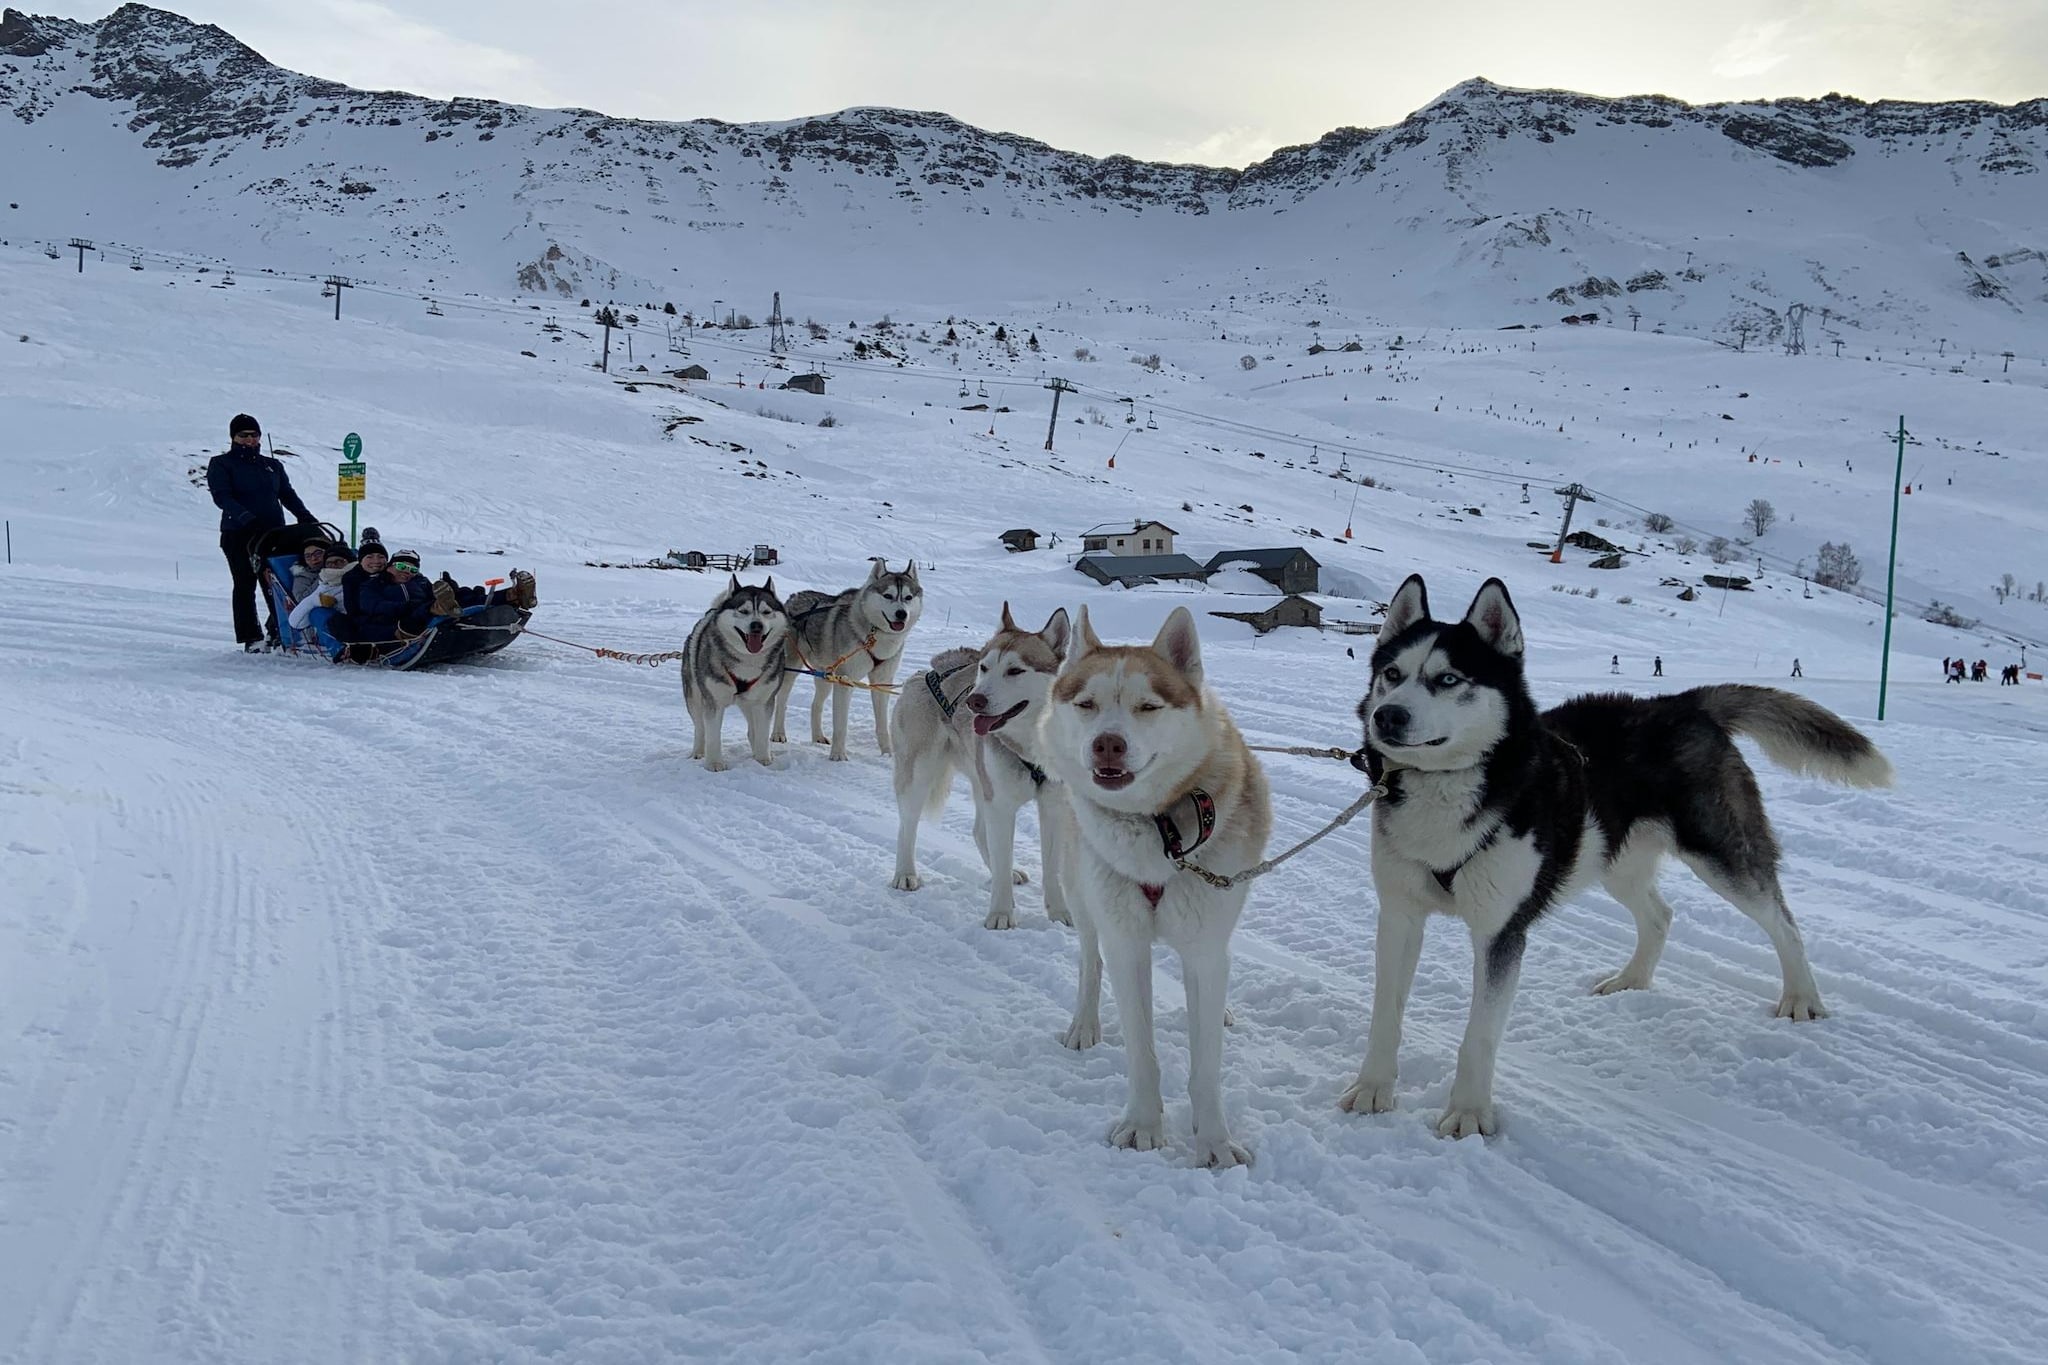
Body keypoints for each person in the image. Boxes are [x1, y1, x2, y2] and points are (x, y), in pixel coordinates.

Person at [206, 413, 316, 651]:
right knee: (245, 583)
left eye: (254, 435)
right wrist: (246, 518)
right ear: (233, 437)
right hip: (239, 533)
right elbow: (222, 496)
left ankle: (277, 630)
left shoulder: (272, 465)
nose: (249, 439)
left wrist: (305, 517)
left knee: (277, 583)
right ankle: (251, 637)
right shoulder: (222, 464)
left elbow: (287, 494)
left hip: (274, 533)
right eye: (243, 435)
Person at [287, 547, 353, 652]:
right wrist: (316, 600)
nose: (333, 565)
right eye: (308, 556)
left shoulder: (360, 576)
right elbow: (296, 619)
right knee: (317, 613)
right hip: (338, 626)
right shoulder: (319, 582)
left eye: (339, 561)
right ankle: (340, 650)